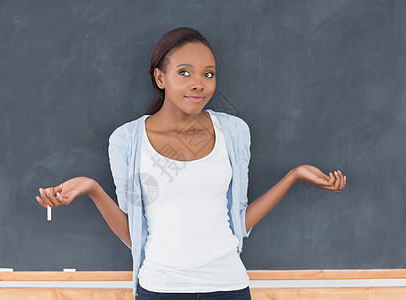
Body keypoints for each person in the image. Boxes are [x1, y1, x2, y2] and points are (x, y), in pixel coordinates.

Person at [35, 27, 346, 299]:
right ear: (160, 77)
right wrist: (92, 189)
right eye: (185, 72)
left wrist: (294, 176)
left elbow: (238, 221)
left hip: (229, 286)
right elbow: (134, 233)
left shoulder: (234, 132)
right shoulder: (127, 140)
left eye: (207, 74)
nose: (199, 84)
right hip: (160, 288)